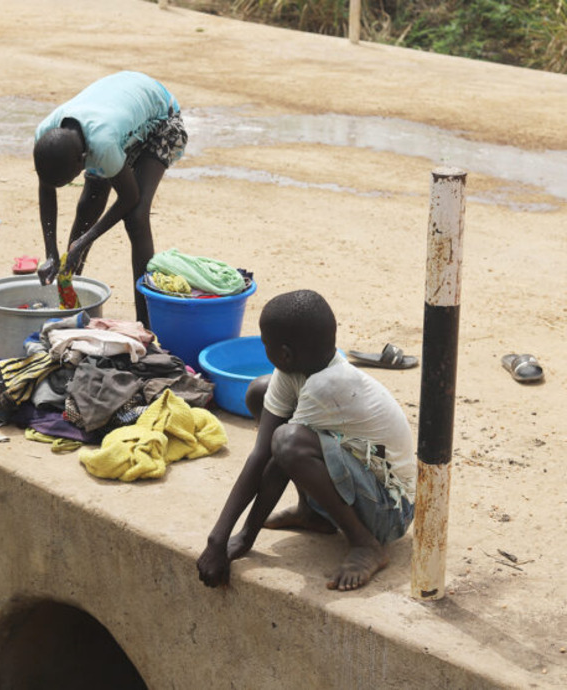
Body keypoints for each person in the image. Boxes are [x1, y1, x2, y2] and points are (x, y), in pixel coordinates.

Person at [196, 290, 416, 591]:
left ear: (285, 353)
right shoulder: (299, 368)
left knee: (289, 442)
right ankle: (310, 513)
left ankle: (366, 544)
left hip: (391, 510)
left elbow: (278, 460)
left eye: (264, 343)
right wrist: (220, 539)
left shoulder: (327, 386)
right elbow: (261, 454)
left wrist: (241, 537)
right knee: (260, 392)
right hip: (363, 484)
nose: (264, 349)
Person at [33, 71, 187, 326]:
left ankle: (145, 323)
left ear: (83, 160)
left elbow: (129, 197)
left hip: (160, 118)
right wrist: (51, 251)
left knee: (136, 218)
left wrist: (85, 240)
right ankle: (68, 296)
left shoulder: (102, 144)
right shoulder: (46, 136)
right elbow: (46, 188)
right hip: (118, 112)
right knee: (89, 203)